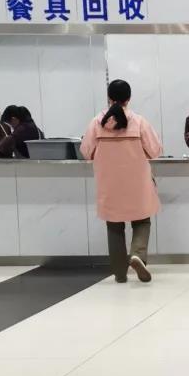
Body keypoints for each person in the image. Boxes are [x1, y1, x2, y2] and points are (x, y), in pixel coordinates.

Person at [80, 79, 162, 283]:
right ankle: (137, 254)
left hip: (109, 183)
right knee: (142, 220)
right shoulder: (139, 122)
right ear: (129, 98)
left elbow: (86, 152)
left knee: (114, 225)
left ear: (109, 97)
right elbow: (155, 151)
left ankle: (119, 273)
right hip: (137, 182)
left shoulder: (96, 123)